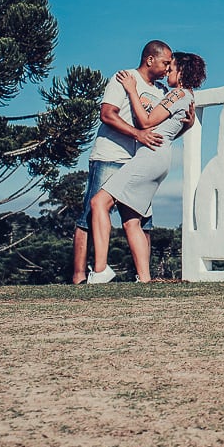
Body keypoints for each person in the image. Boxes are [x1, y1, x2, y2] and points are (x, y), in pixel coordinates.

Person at [87, 52, 207, 283]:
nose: (167, 71)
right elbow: (171, 131)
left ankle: (100, 271)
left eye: (171, 68)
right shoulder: (187, 96)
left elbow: (146, 122)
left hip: (149, 157)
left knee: (98, 202)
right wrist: (189, 126)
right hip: (160, 156)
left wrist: (132, 89)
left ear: (181, 71)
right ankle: (145, 278)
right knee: (132, 220)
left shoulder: (178, 93)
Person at [71, 40, 177, 284]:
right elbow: (107, 114)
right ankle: (79, 277)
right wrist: (137, 134)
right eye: (165, 62)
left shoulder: (162, 91)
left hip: (139, 162)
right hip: (110, 156)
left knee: (142, 220)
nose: (168, 67)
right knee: (91, 214)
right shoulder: (124, 78)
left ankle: (144, 277)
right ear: (150, 59)